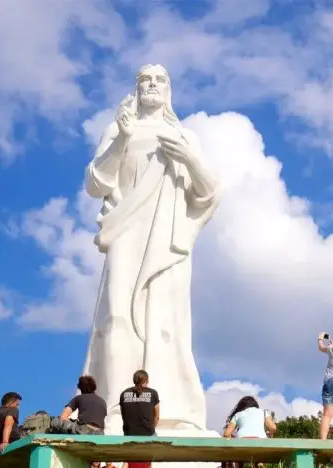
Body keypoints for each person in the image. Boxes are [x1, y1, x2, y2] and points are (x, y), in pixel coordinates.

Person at [82, 64, 223, 437]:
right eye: (145, 80)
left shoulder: (183, 135)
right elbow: (96, 184)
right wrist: (121, 140)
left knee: (165, 318)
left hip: (167, 239)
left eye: (160, 80)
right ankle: (114, 407)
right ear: (136, 88)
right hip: (126, 232)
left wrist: (190, 158)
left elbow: (209, 192)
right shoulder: (117, 129)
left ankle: (174, 411)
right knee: (117, 316)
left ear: (169, 89)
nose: (152, 85)